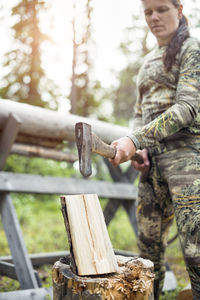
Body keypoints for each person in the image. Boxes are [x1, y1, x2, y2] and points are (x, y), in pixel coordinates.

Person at [109, 0, 200, 299]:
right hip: (152, 168)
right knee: (147, 256)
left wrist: (135, 140)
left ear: (180, 9)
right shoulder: (147, 62)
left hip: (188, 163)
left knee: (195, 251)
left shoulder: (192, 49)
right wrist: (141, 149)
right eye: (148, 11)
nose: (154, 17)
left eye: (161, 9)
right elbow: (139, 111)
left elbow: (187, 108)